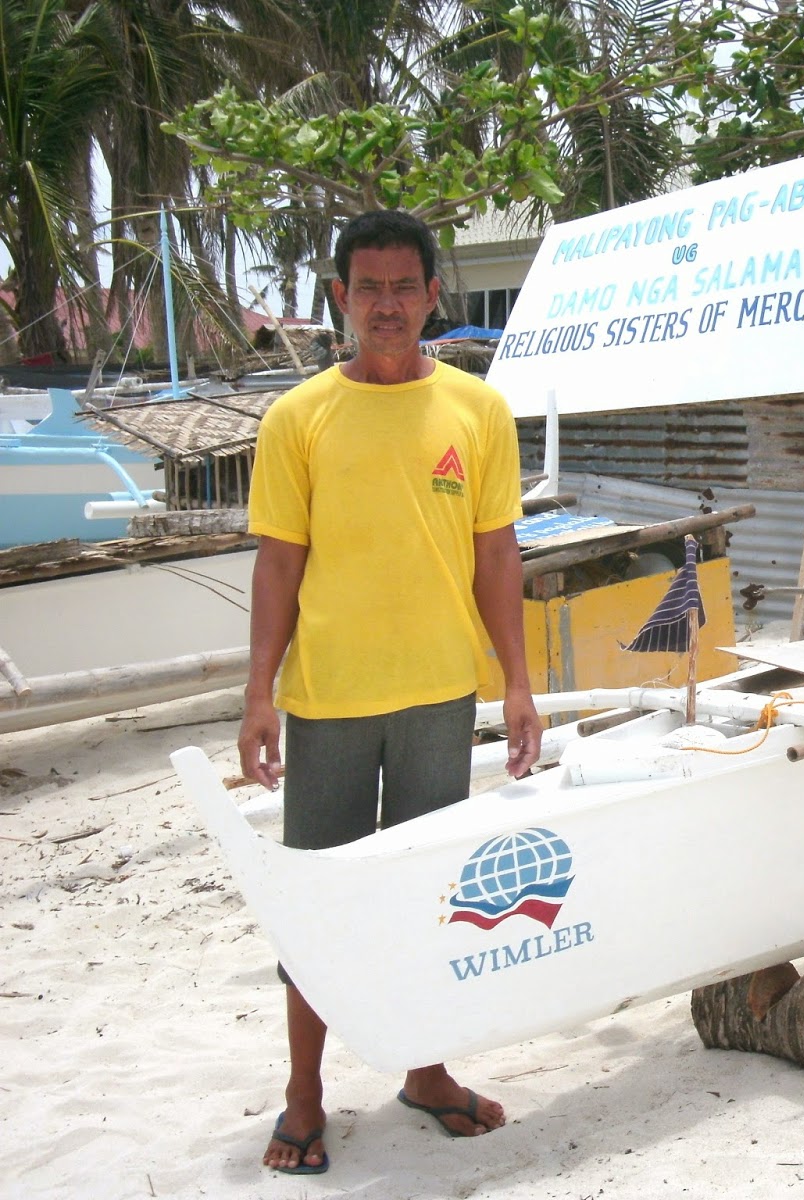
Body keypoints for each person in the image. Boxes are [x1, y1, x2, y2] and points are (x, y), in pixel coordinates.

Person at [238, 209, 542, 1175]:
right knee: (318, 908)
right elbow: (278, 565)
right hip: (327, 699)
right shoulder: (298, 418)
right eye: (367, 287)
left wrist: (519, 682)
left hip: (439, 696)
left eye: (404, 286)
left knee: (426, 897)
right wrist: (257, 696)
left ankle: (426, 1069)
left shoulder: (477, 410)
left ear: (431, 296)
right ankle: (304, 1093)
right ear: (340, 296)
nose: (386, 304)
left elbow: (497, 554)